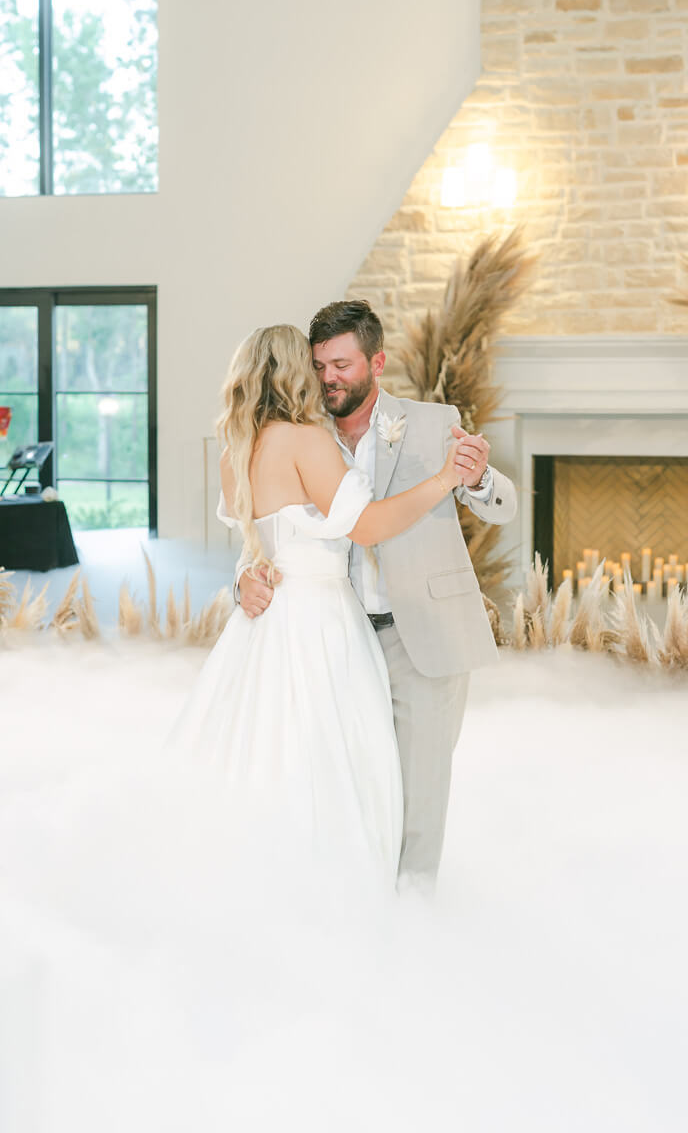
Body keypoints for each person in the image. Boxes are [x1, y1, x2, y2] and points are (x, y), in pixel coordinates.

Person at [170, 321, 466, 886]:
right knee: (337, 759)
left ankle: (258, 874)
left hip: (263, 627)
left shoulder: (236, 447)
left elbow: (259, 544)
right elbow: (371, 527)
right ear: (295, 371)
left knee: (266, 752)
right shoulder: (304, 440)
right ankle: (338, 886)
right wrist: (444, 478)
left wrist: (243, 582)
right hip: (321, 622)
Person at [238, 300, 517, 891]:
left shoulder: (433, 421)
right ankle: (361, 904)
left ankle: (412, 918)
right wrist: (245, 576)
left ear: (377, 362)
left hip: (423, 632)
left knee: (418, 789)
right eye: (318, 366)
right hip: (337, 638)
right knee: (355, 784)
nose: (328, 378)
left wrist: (478, 478)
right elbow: (268, 531)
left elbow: (504, 506)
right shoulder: (302, 435)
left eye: (341, 363)